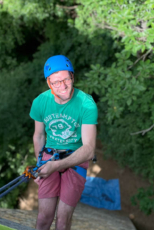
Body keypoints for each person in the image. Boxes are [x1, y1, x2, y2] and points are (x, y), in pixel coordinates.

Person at [29, 55, 98, 230]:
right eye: (56, 82)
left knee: (62, 220)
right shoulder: (40, 103)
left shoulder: (86, 104)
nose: (63, 86)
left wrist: (58, 165)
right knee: (44, 218)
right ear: (48, 83)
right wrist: (39, 164)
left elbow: (89, 149)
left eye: (66, 79)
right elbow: (38, 136)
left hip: (75, 158)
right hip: (49, 156)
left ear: (73, 77)